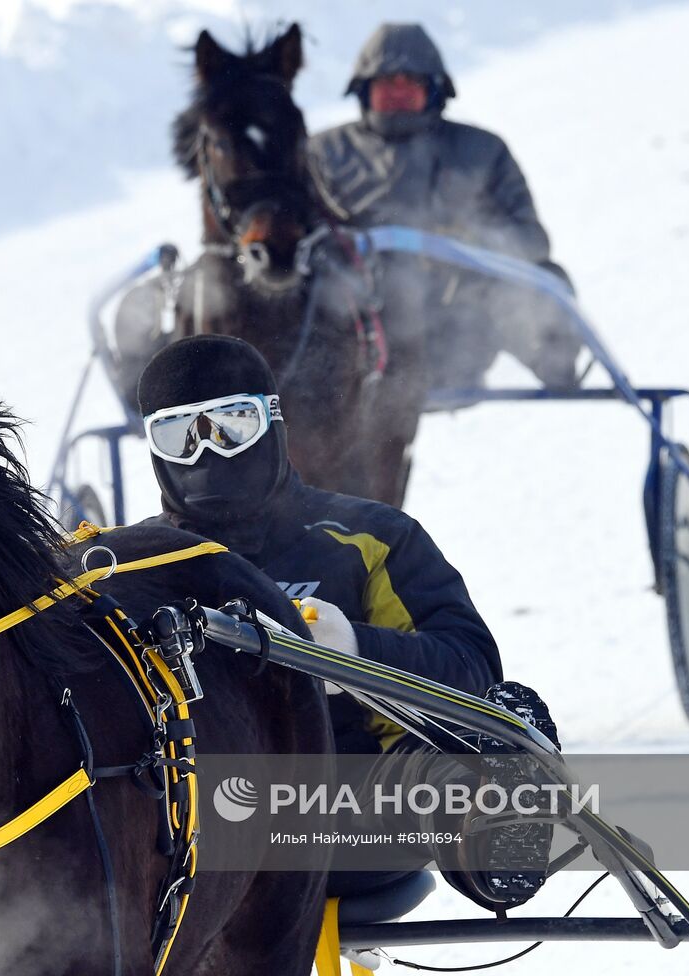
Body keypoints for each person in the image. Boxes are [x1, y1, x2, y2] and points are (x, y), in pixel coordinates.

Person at [137, 334, 560, 909]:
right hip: (188, 827)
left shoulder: (368, 539)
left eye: (232, 424)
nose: (208, 451)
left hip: (348, 810)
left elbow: (472, 669)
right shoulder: (137, 565)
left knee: (438, 773)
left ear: (273, 420)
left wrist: (355, 651)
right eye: (179, 435)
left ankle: (492, 827)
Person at [309, 22, 581, 390]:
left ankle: (557, 370)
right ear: (364, 90)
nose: (398, 94)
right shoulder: (324, 155)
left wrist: (474, 242)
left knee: (542, 280)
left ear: (434, 91)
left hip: (455, 324)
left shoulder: (481, 152)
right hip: (354, 323)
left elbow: (531, 238)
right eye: (387, 84)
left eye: (410, 84)